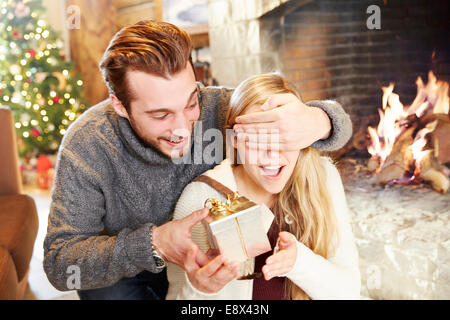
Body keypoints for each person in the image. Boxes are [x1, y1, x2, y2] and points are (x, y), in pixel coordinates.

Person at [43, 20, 353, 300]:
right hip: (122, 275)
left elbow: (335, 126)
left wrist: (318, 120)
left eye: (191, 103)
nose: (183, 128)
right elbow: (60, 262)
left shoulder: (220, 109)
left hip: (203, 276)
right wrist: (155, 243)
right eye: (160, 114)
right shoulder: (88, 144)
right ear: (120, 105)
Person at [166, 73, 360, 300]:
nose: (272, 154)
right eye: (258, 137)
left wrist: (299, 262)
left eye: (283, 137)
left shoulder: (323, 177)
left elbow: (349, 292)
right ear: (235, 139)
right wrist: (200, 290)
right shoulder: (202, 198)